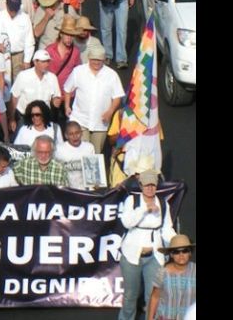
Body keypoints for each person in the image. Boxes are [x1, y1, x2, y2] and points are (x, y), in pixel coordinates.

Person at [118, 169, 177, 320]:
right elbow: (127, 222)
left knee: (153, 295)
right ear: (140, 185)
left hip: (154, 256)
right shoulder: (132, 201)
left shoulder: (163, 204)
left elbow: (167, 229)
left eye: (153, 185)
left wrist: (176, 242)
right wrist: (145, 209)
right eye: (146, 185)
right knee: (130, 296)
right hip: (132, 255)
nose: (150, 188)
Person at [64, 45, 125, 158]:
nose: (96, 62)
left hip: (100, 123)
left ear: (103, 60)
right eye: (94, 60)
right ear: (89, 58)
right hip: (80, 120)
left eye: (99, 60)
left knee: (95, 155)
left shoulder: (112, 75)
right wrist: (67, 106)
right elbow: (67, 89)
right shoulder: (78, 71)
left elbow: (117, 97)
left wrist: (110, 111)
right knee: (80, 153)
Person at [148, 235, 197, 320]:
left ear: (190, 253)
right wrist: (150, 318)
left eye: (185, 251)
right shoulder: (162, 271)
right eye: (176, 252)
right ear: (171, 254)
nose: (181, 255)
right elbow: (155, 296)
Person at [0, 0, 34, 83]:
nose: (13, 11)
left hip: (18, 56)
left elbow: (29, 40)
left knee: (18, 84)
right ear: (6, 4)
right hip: (1, 55)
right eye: (11, 8)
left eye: (15, 8)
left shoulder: (25, 18)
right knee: (1, 83)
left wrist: (27, 60)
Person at [53, 120, 95, 190]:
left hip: (85, 191)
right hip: (66, 190)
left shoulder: (89, 147)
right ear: (66, 135)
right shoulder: (59, 149)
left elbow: (93, 176)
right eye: (71, 134)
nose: (75, 136)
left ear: (81, 133)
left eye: (77, 133)